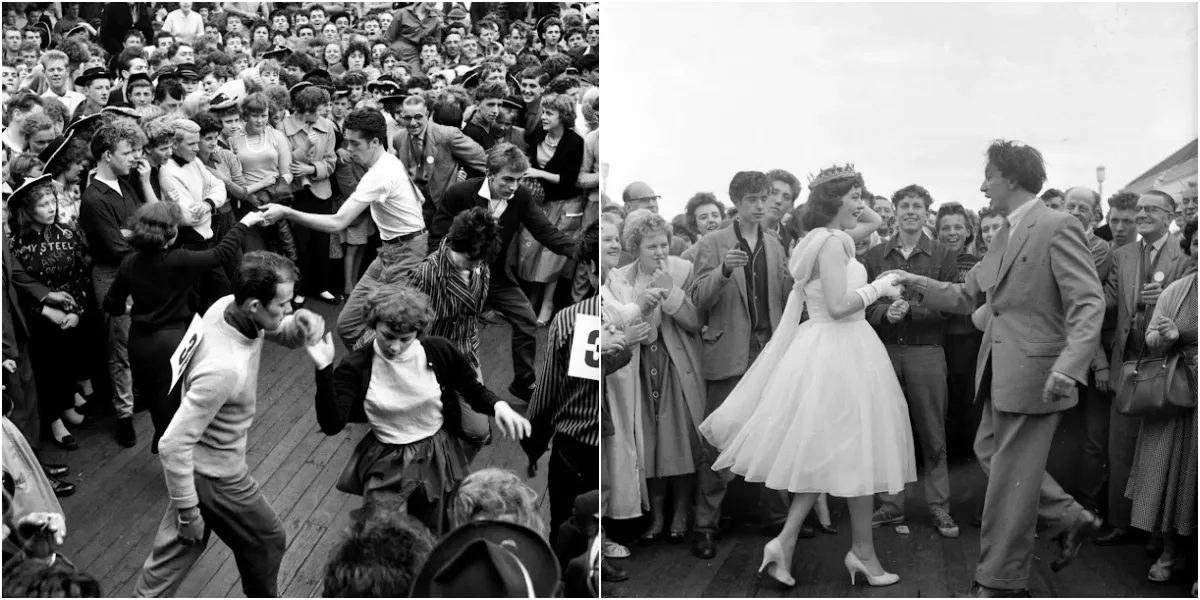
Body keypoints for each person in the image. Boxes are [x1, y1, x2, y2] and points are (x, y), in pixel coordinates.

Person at [888, 141, 1106, 597]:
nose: (982, 186)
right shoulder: (1004, 234)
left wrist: (1070, 366)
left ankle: (998, 582)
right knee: (990, 453)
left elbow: (1088, 302)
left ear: (1009, 177)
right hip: (1001, 374)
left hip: (1038, 376)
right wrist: (916, 283)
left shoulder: (1057, 224)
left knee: (1010, 479)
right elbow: (967, 296)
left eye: (988, 176)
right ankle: (1069, 516)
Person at [699, 164, 915, 588]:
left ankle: (788, 542)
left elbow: (872, 220)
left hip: (824, 349)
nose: (862, 204)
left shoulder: (819, 238)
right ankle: (862, 555)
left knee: (832, 452)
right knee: (856, 450)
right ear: (835, 201)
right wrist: (881, 288)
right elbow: (837, 305)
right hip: (842, 348)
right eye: (854, 196)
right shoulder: (833, 243)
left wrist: (850, 196)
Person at [133, 251, 326, 597]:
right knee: (268, 540)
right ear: (253, 305)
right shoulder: (224, 368)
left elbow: (274, 329)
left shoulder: (226, 305)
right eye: (282, 304)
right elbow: (172, 444)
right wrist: (189, 509)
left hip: (197, 467)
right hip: (217, 476)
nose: (288, 308)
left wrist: (299, 324)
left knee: (178, 550)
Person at [309, 282, 530, 535]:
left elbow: (472, 390)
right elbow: (332, 424)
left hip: (436, 454)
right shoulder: (355, 367)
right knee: (377, 532)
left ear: (418, 333)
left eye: (405, 339)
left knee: (433, 528)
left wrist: (498, 405)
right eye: (388, 336)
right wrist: (324, 370)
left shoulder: (439, 349)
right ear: (374, 325)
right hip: (387, 458)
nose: (395, 347)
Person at [102, 202, 265, 454]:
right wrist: (245, 223)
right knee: (183, 405)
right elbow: (222, 253)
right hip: (176, 341)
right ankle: (180, 454)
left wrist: (137, 311)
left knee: (157, 401)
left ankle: (164, 436)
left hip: (140, 343)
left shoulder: (129, 263)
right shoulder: (179, 259)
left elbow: (111, 305)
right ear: (172, 234)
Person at [261, 109, 428, 351]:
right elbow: (419, 198)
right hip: (392, 250)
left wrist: (286, 212)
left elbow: (338, 223)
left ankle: (381, 374)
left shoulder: (380, 173)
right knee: (348, 326)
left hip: (406, 254)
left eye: (354, 143)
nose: (348, 148)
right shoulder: (390, 161)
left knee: (392, 332)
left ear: (375, 142)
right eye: (347, 141)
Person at [427, 142, 577, 401]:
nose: (513, 187)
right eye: (508, 179)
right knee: (448, 332)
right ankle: (437, 385)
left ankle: (524, 383)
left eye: (518, 180)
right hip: (454, 276)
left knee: (527, 321)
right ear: (489, 173)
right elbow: (437, 238)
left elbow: (545, 231)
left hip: (495, 276)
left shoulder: (521, 197)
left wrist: (580, 250)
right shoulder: (459, 193)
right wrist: (451, 272)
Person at [1127, 219, 1196, 584]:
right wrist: (1166, 336)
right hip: (1175, 392)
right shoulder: (1177, 290)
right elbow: (1151, 338)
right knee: (1169, 473)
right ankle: (1171, 552)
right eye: (1198, 242)